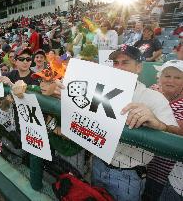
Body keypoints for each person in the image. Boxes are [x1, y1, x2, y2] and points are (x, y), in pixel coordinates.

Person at [53, 45, 178, 201]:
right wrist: (60, 92)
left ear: (139, 67)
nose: (118, 67)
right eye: (115, 63)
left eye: (125, 62)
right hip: (97, 164)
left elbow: (175, 135)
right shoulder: (97, 89)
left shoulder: (153, 97)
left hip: (128, 174)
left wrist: (160, 125)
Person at [144, 60, 183, 201]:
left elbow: (180, 129)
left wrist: (158, 122)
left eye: (177, 77)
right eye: (167, 76)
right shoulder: (153, 89)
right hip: (145, 164)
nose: (171, 80)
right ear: (159, 78)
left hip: (168, 173)